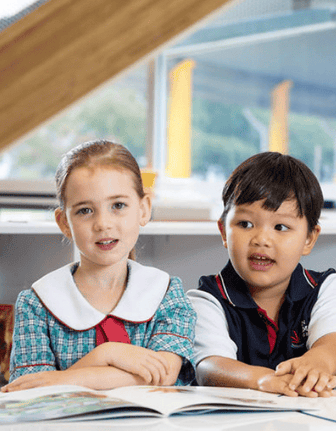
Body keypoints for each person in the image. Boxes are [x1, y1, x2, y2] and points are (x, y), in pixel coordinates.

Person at [3, 140, 195, 392]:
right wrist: (108, 354)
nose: (103, 223)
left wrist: (62, 380)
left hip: (149, 430)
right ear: (64, 223)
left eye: (118, 206)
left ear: (144, 209)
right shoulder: (36, 304)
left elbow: (164, 374)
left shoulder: (167, 294)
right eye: (85, 210)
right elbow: (30, 391)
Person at [188, 152, 336, 398]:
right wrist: (262, 380)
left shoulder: (326, 289)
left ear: (309, 238)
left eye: (281, 227)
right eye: (245, 224)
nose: (262, 240)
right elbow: (209, 366)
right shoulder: (206, 300)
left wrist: (319, 362)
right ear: (224, 231)